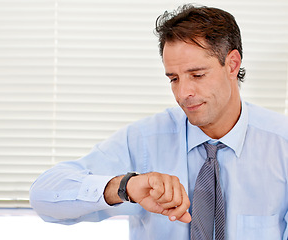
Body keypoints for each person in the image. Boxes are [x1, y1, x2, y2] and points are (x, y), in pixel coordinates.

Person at [30, 4, 288, 240]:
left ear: (232, 65)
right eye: (174, 78)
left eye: (197, 75)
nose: (183, 93)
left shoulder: (282, 143)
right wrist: (126, 186)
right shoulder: (143, 140)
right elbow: (44, 195)